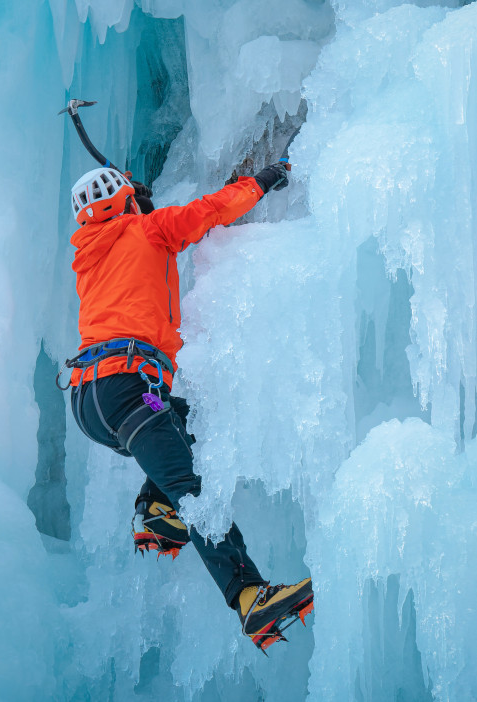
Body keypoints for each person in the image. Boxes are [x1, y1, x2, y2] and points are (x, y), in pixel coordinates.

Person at [61, 161, 313, 651]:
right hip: (129, 385)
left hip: (90, 401)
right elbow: (210, 211)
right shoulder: (149, 227)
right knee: (192, 490)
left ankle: (153, 511)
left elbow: (129, 265)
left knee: (189, 419)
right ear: (127, 201)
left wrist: (136, 203)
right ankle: (248, 595)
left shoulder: (88, 256)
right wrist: (259, 181)